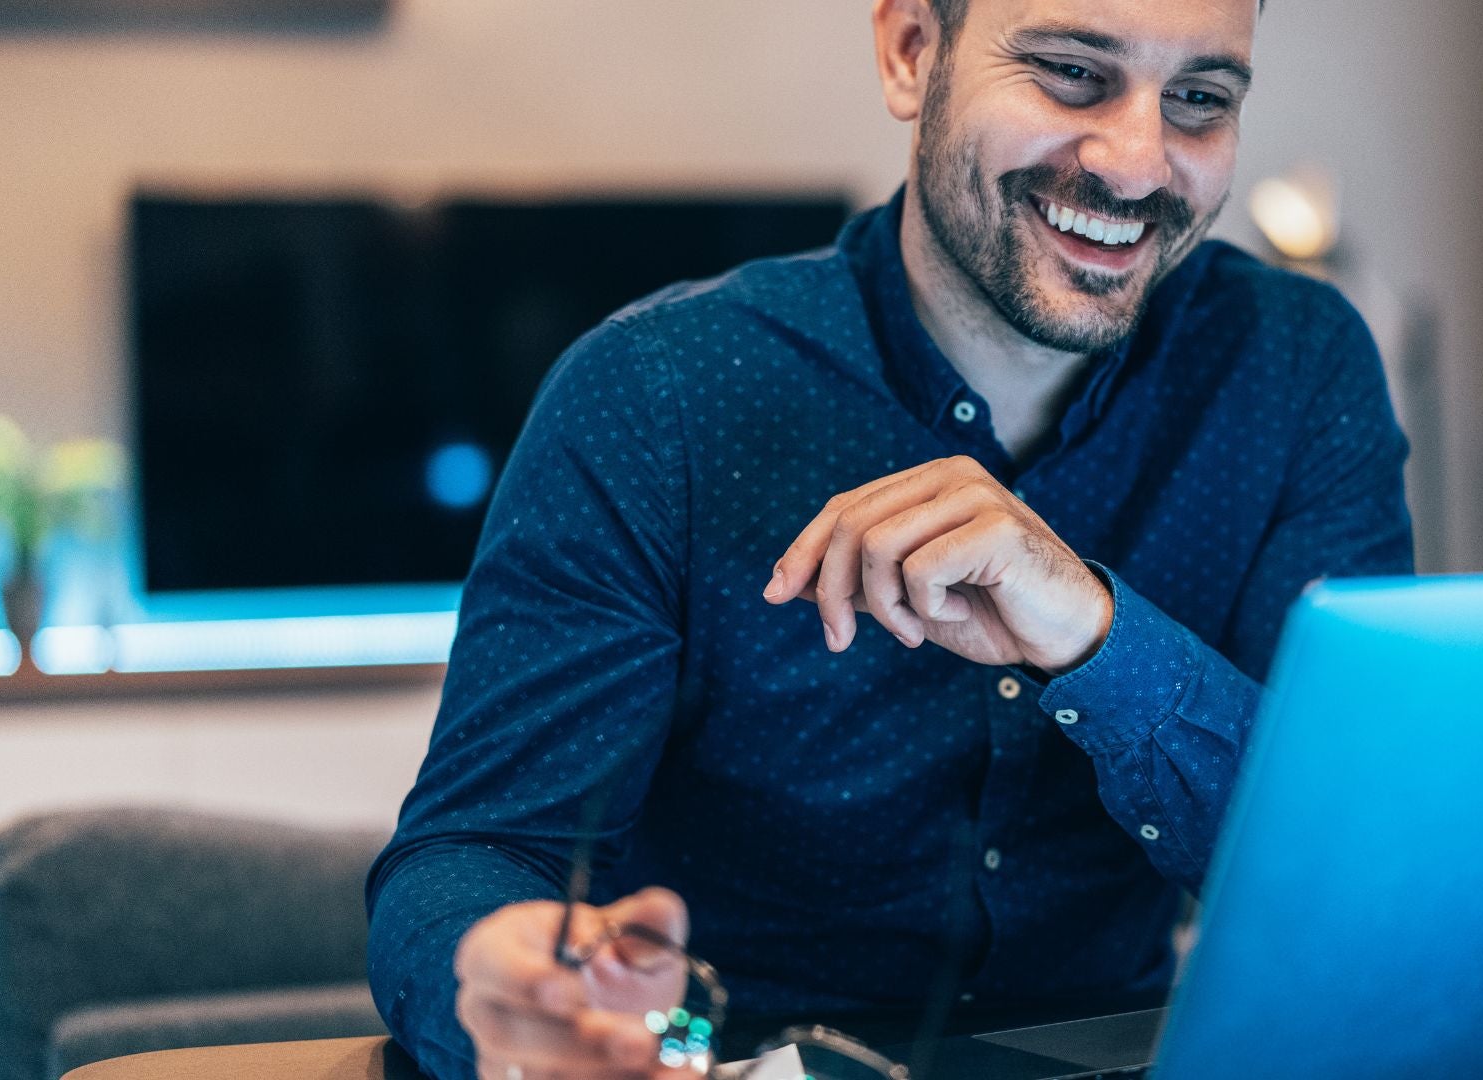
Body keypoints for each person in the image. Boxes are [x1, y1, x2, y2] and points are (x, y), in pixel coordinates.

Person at [366, 0, 1413, 1076]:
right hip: (713, 1061)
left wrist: (1100, 639)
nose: (1141, 163)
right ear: (913, 53)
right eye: (1068, 72)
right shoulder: (652, 394)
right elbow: (475, 855)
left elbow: (1358, 876)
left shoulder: (1297, 367)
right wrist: (514, 983)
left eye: (1199, 98)